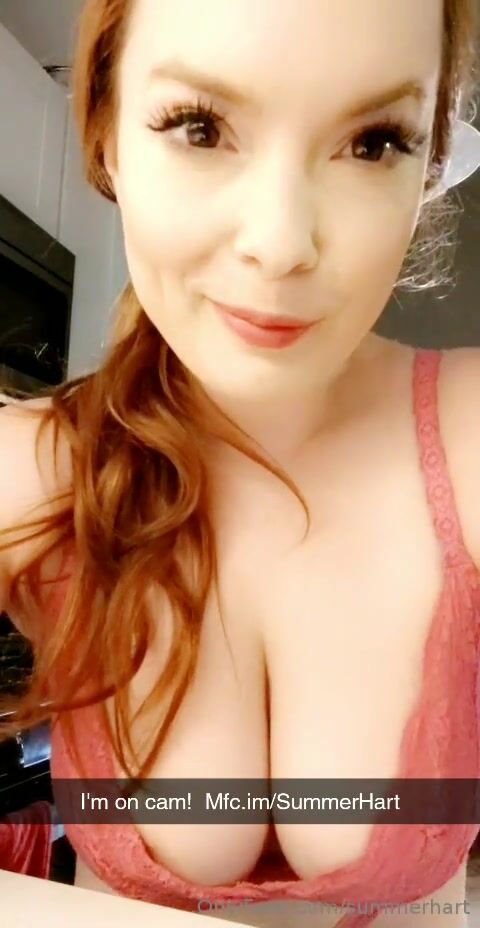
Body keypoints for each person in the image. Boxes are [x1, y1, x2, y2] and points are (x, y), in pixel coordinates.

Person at [0, 0, 480, 925]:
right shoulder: (35, 472)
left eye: (374, 143)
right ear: (105, 136)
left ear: (427, 167)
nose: (281, 244)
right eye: (200, 127)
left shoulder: (467, 439)